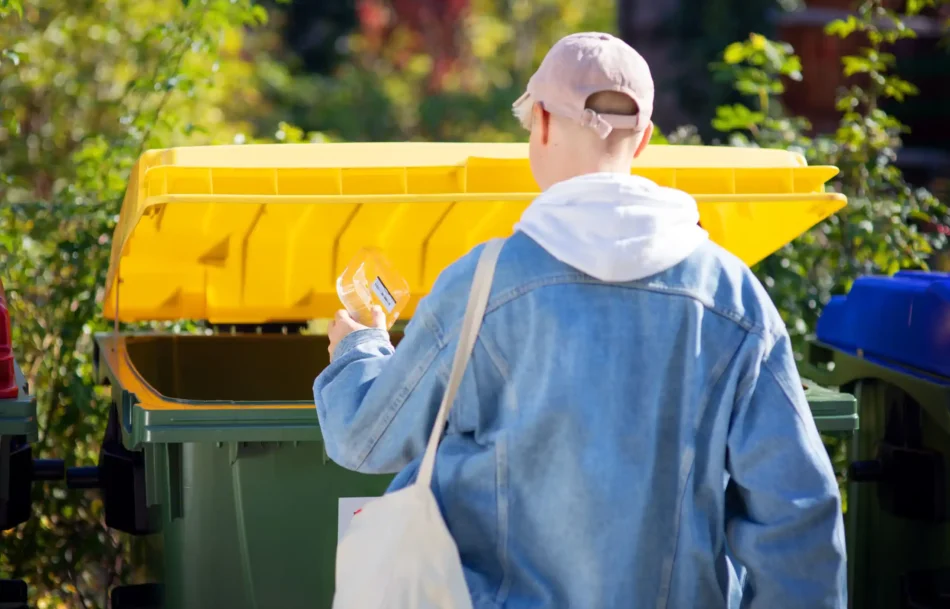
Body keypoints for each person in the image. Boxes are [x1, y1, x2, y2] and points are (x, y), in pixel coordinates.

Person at [314, 32, 847, 609]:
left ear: (540, 122)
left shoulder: (483, 284)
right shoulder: (732, 295)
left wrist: (360, 346)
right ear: (642, 140)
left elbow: (364, 438)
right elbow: (797, 522)